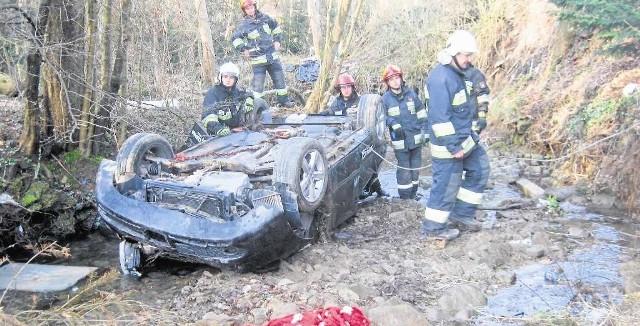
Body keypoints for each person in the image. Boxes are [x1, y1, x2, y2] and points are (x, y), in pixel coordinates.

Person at [422, 30, 491, 240]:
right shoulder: (440, 78)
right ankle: (434, 229)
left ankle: (461, 214)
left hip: (466, 139)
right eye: (466, 55)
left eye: (471, 55)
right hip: (449, 146)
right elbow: (439, 119)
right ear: (453, 53)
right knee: (446, 186)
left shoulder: (458, 73)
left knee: (480, 169)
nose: (469, 60)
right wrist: (454, 147)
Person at [231, 0, 295, 108]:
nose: (250, 10)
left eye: (251, 7)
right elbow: (235, 39)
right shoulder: (244, 25)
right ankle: (259, 107)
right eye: (247, 9)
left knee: (279, 79)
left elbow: (276, 28)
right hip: (257, 60)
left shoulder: (265, 18)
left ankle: (284, 101)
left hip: (272, 57)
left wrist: (277, 41)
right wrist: (243, 49)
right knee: (258, 86)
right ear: (244, 10)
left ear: (255, 7)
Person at [381, 65, 428, 200]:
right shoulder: (385, 99)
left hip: (416, 139)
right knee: (404, 169)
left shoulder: (411, 94)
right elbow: (381, 117)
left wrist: (426, 130)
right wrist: (393, 123)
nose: (395, 81)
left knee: (415, 169)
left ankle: (413, 194)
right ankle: (405, 198)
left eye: (397, 78)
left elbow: (422, 113)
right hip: (400, 142)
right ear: (387, 83)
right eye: (392, 79)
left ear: (401, 78)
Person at [201, 62, 270, 136]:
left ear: (235, 79)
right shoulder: (213, 93)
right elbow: (208, 116)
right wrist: (218, 128)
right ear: (220, 77)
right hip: (219, 132)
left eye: (231, 77)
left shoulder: (237, 91)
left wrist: (249, 99)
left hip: (237, 129)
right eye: (225, 77)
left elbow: (248, 93)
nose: (228, 80)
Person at [464, 65, 490, 135]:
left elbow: (482, 95)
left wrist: (482, 116)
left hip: (473, 122)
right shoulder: (449, 75)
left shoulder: (474, 73)